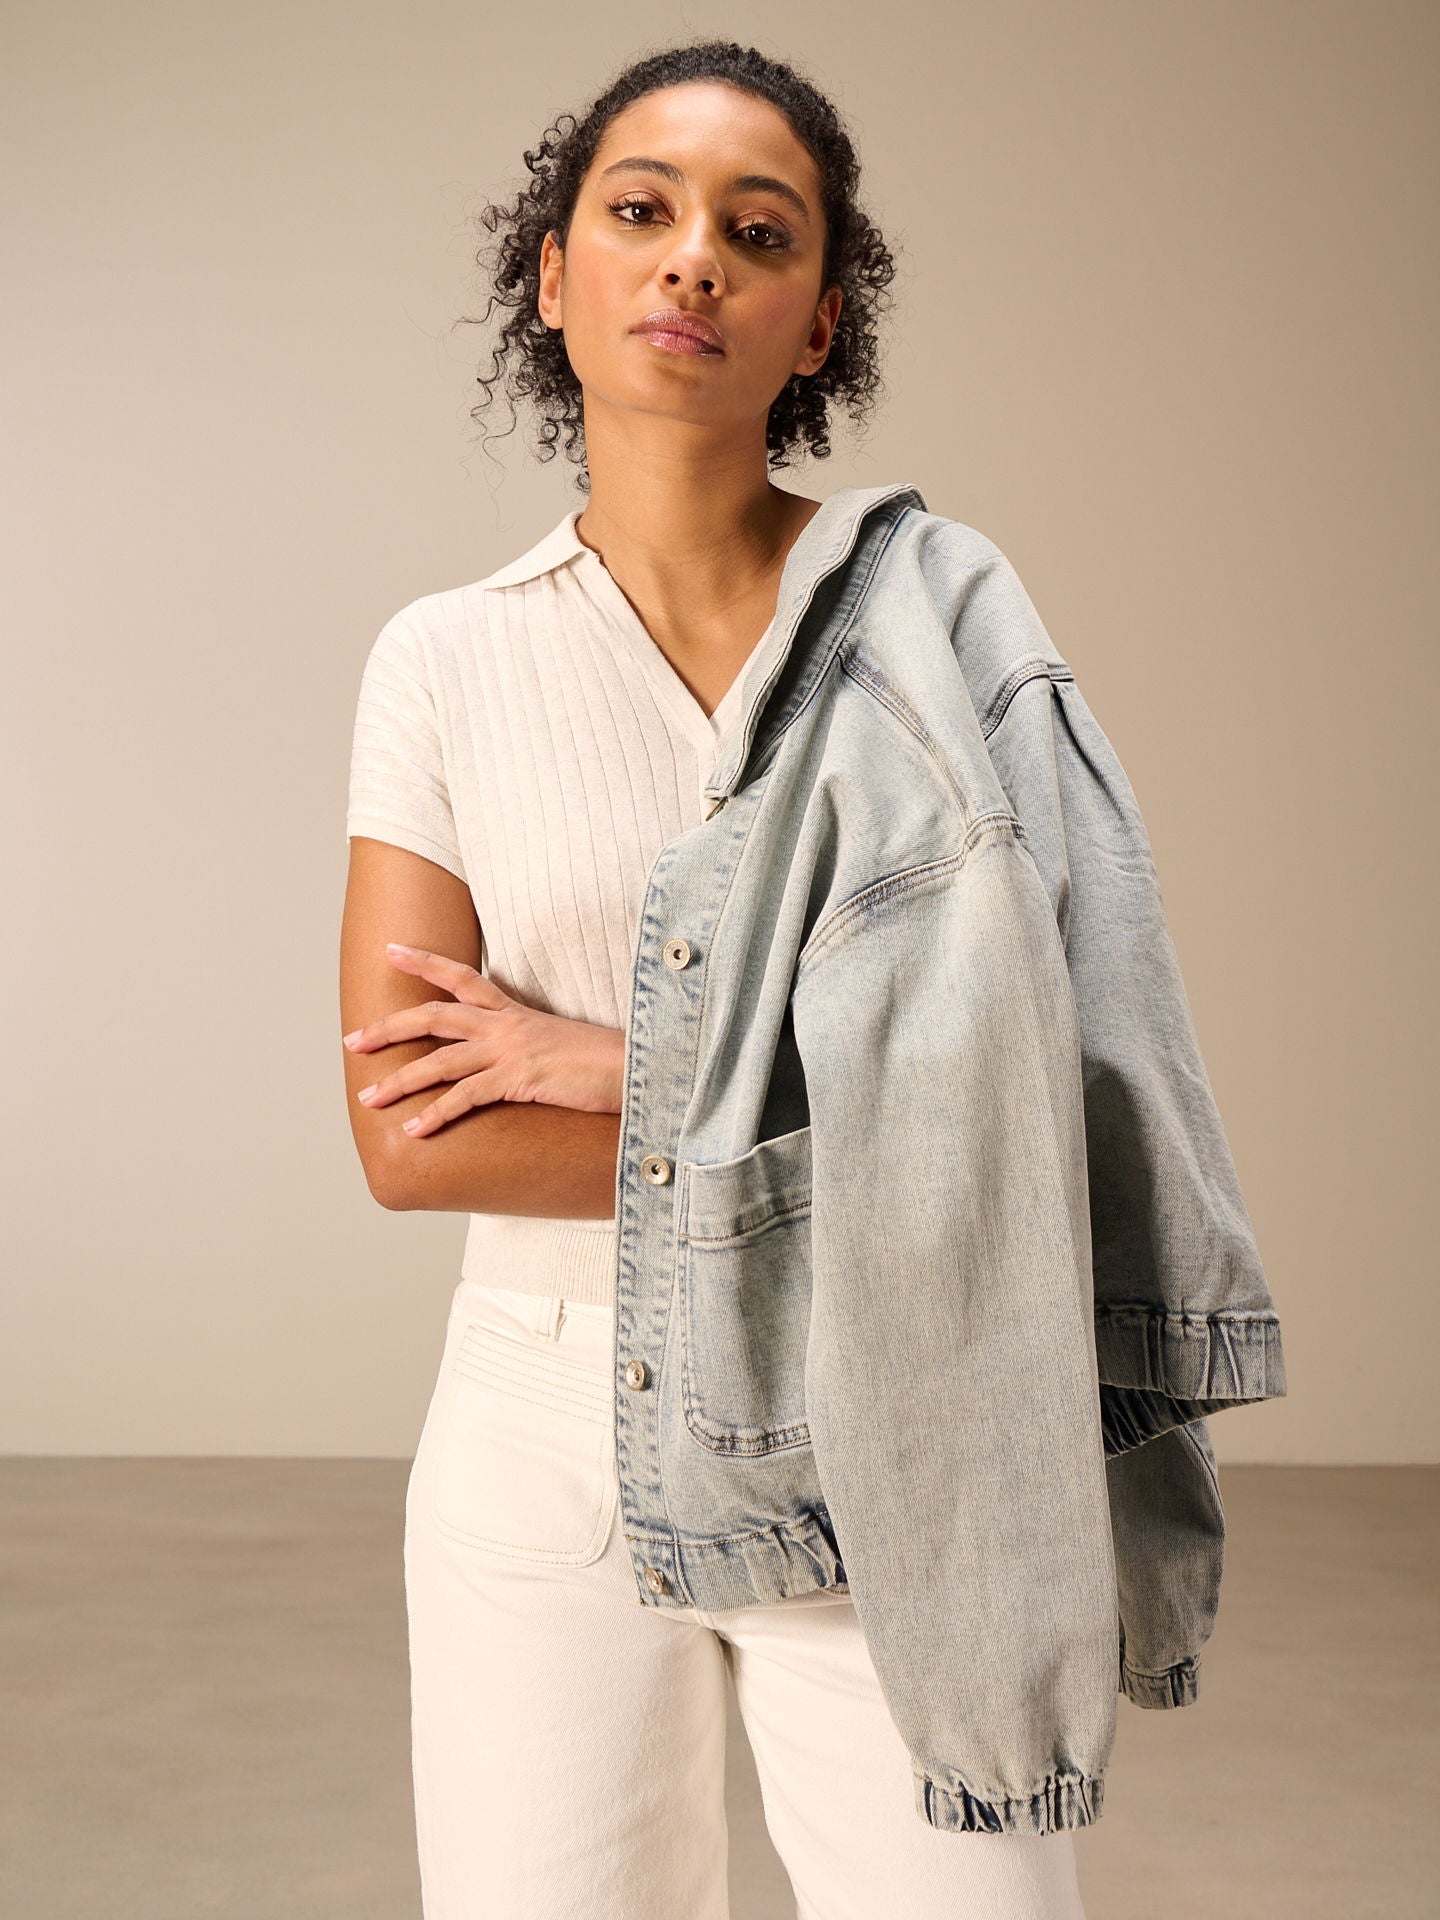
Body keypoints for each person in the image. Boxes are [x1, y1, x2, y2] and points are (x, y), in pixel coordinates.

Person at [340, 40, 1094, 1919]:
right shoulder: (445, 661)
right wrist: (842, 1124)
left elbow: (1029, 1090)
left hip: (898, 1407)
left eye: (758, 233)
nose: (693, 257)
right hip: (547, 1433)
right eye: (640, 210)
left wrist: (617, 1066)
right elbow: (417, 1140)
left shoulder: (936, 634)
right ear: (555, 275)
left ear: (819, 320)